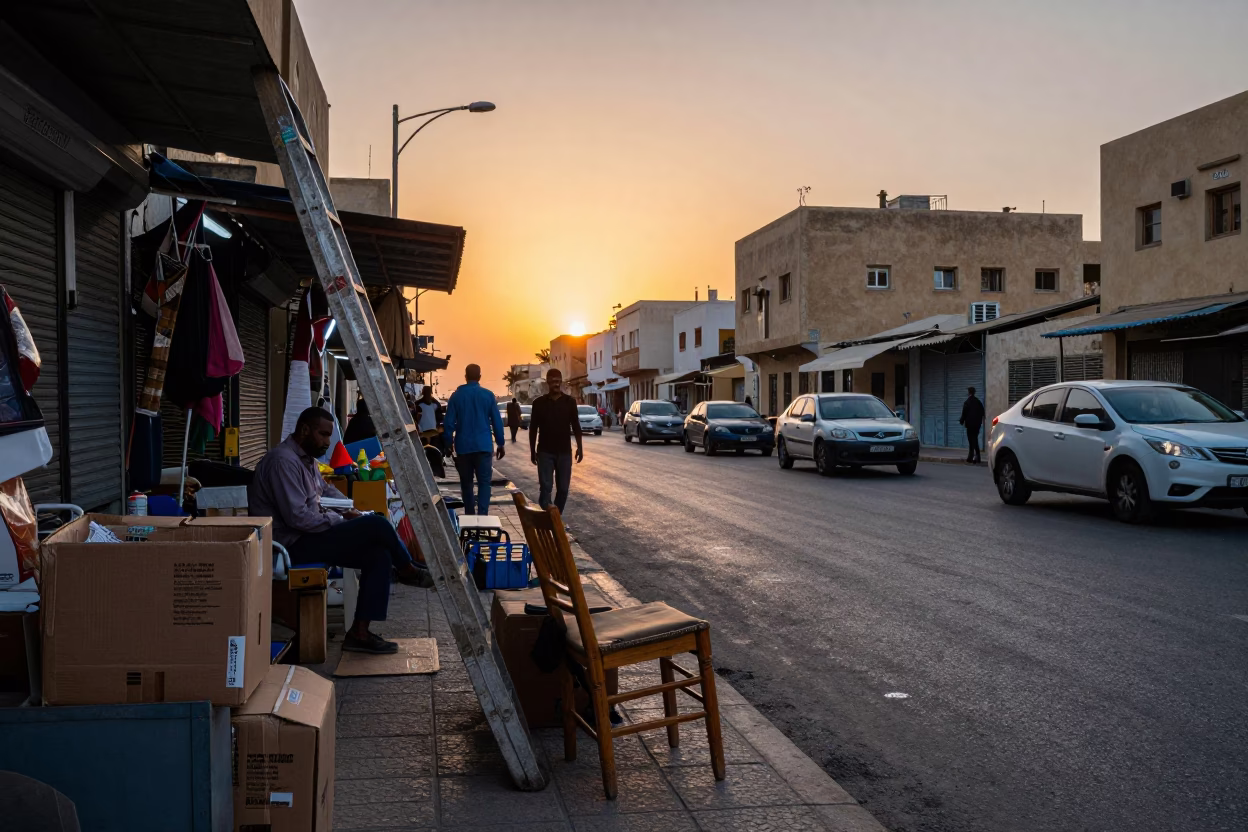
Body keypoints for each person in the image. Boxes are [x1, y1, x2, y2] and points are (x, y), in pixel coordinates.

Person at [248, 406, 432, 655]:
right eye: (323, 435)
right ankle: (407, 569)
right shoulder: (283, 461)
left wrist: (350, 509)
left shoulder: (306, 460)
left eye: (329, 435)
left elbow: (325, 491)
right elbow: (298, 518)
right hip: (290, 546)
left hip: (309, 536)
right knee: (377, 525)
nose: (327, 442)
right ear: (305, 430)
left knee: (378, 554)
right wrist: (340, 519)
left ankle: (360, 633)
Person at [444, 364, 505, 515]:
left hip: (463, 447)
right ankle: (483, 515)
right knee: (484, 483)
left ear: (465, 377)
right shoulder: (488, 395)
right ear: (479, 377)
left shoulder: (456, 396)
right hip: (483, 446)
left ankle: (470, 515)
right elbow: (497, 422)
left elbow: (448, 423)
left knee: (466, 484)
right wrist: (500, 443)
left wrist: (448, 443)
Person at [529, 368, 583, 513]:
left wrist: (580, 447)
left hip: (564, 453)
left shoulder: (569, 402)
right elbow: (533, 429)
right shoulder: (538, 403)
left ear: (561, 382)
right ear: (547, 382)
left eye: (558, 381)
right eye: (553, 381)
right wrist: (532, 451)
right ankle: (549, 515)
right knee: (546, 488)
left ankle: (555, 518)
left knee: (563, 489)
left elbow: (576, 426)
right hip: (545, 452)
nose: (556, 384)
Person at [959, 386, 985, 464]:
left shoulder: (967, 402)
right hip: (977, 425)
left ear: (969, 393)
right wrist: (980, 422)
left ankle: (970, 458)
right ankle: (977, 457)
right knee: (975, 439)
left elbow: (964, 414)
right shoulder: (978, 402)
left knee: (971, 441)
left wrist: (961, 421)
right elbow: (983, 413)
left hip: (970, 425)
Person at [414, 385, 443, 452]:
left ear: (422, 392)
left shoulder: (417, 404)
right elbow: (440, 418)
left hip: (424, 432)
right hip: (431, 432)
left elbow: (415, 419)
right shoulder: (436, 403)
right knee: (433, 451)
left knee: (424, 452)